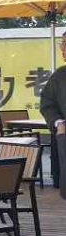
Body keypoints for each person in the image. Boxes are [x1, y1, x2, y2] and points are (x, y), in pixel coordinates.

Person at [39, 31, 66, 196]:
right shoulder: (60, 75)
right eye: (62, 44)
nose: (63, 49)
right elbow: (47, 103)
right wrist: (59, 123)